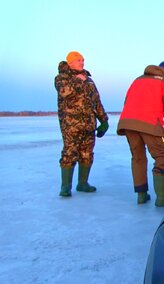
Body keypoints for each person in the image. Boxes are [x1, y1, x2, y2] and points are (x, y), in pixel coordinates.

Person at [117, 61, 164, 206]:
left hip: (128, 123)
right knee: (163, 156)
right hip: (150, 123)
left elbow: (127, 101)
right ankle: (162, 197)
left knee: (138, 157)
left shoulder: (138, 79)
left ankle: (141, 195)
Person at [54, 51, 109, 197]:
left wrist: (104, 120)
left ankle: (82, 183)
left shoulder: (89, 80)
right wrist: (78, 81)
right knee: (69, 155)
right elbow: (64, 92)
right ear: (70, 62)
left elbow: (96, 101)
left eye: (83, 60)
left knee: (87, 154)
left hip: (89, 124)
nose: (82, 62)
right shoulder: (62, 78)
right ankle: (65, 187)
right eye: (78, 60)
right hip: (71, 125)